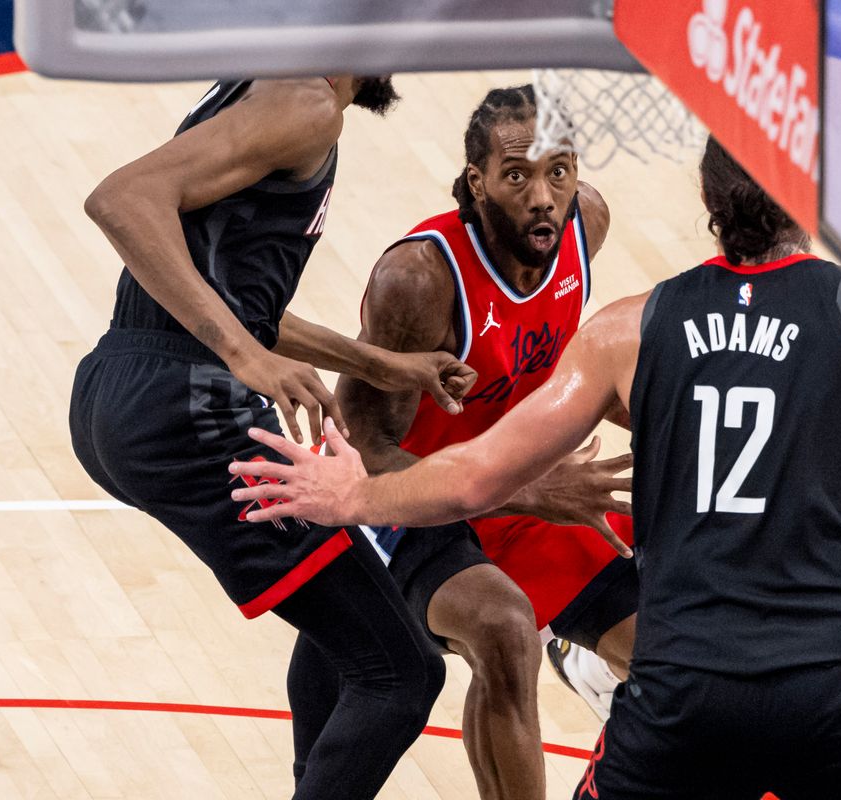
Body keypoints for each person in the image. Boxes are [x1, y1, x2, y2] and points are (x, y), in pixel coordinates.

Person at [231, 137, 841, 800]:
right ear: (812, 194)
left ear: (709, 206)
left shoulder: (629, 329)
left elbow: (474, 476)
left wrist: (357, 492)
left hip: (687, 689)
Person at [69, 76, 478, 800]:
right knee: (405, 673)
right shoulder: (305, 102)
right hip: (184, 406)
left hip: (122, 388)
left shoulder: (267, 91)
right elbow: (120, 200)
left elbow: (227, 295)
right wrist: (242, 355)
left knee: (350, 625)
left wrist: (381, 363)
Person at [272, 84, 636, 800]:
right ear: (478, 183)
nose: (542, 195)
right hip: (401, 501)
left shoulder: (585, 224)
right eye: (517, 175)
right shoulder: (420, 279)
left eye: (557, 171)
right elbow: (364, 445)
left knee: (680, 653)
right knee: (503, 628)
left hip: (510, 483)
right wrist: (529, 488)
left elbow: (563, 373)